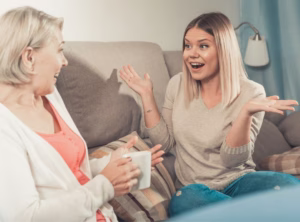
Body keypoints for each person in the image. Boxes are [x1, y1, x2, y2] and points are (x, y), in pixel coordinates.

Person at [120, 12, 300, 217]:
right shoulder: (177, 84)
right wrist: (146, 95)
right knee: (185, 201)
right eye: (188, 45)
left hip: (240, 181)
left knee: (291, 188)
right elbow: (164, 142)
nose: (191, 54)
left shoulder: (252, 92)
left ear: (223, 51)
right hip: (196, 190)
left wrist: (245, 113)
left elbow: (232, 160)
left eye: (203, 46)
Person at [0, 6, 164, 222]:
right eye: (59, 50)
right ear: (29, 58)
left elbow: (71, 172)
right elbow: (26, 217)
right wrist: (106, 185)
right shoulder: (5, 128)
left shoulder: (50, 96)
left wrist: (114, 164)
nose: (65, 62)